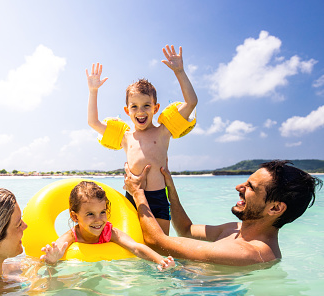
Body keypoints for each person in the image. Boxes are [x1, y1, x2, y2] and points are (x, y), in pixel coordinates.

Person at [86, 45, 198, 236]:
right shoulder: (125, 136)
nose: (140, 111)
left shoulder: (164, 131)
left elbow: (191, 102)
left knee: (161, 245)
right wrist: (93, 90)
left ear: (156, 108)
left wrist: (179, 71)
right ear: (127, 110)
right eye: (135, 106)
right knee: (134, 246)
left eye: (147, 105)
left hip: (158, 198)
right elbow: (93, 122)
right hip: (131, 198)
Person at [123, 160, 322, 266]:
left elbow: (157, 242)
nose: (238, 187)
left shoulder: (248, 253)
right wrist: (170, 191)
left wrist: (138, 193)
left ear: (275, 208)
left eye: (250, 187)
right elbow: (186, 229)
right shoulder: (235, 230)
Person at [40, 181, 175, 270]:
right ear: (75, 217)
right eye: (90, 214)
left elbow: (136, 247)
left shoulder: (109, 232)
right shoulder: (71, 236)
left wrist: (161, 260)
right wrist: (51, 259)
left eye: (102, 212)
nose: (98, 220)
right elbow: (56, 251)